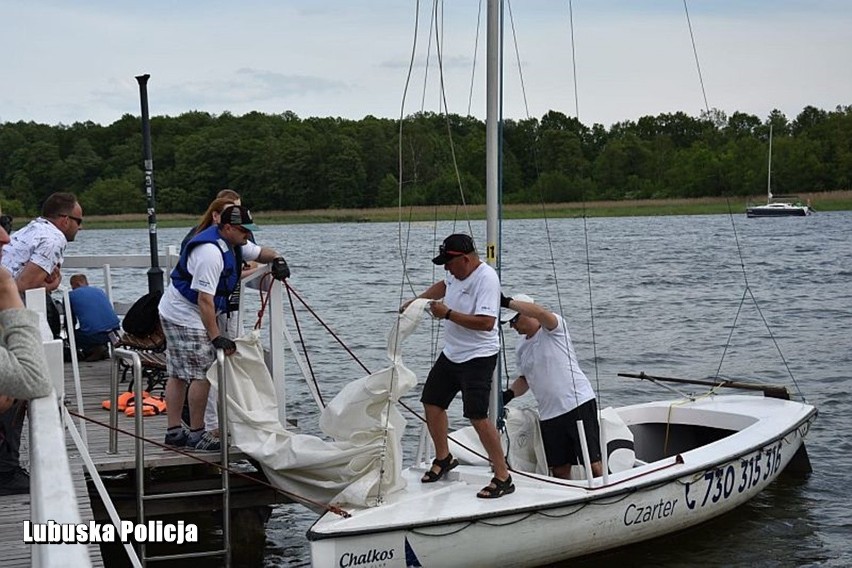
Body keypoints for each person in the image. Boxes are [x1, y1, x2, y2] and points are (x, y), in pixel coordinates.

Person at [159, 204, 291, 452]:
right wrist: (216, 336)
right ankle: (196, 433)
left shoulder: (237, 242)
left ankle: (174, 431)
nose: (248, 235)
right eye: (244, 230)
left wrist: (277, 259)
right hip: (184, 312)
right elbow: (204, 300)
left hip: (180, 309)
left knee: (177, 372)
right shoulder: (209, 252)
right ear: (227, 227)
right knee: (202, 373)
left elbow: (261, 252)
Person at [403, 233, 514, 499]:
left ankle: (503, 475)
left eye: (449, 263)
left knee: (477, 415)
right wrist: (416, 302)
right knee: (431, 401)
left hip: (478, 356)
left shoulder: (486, 279)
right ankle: (443, 458)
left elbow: (487, 323)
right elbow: (443, 284)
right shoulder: (454, 273)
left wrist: (448, 314)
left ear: (465, 259)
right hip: (452, 353)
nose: (446, 268)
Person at [0, 193, 81, 495]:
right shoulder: (53, 238)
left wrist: (46, 284)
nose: (80, 228)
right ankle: (6, 470)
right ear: (64, 220)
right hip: (10, 316)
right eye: (78, 221)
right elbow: (21, 283)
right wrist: (45, 285)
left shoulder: (32, 229)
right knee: (15, 388)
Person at [500, 293, 603, 479]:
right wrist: (508, 395)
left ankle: (606, 492)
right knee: (559, 469)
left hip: (577, 404)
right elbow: (525, 379)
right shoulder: (521, 347)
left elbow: (540, 312)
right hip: (550, 414)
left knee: (593, 464)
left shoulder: (554, 328)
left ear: (525, 313)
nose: (511, 326)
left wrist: (507, 303)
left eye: (514, 320)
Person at [68, 273, 120, 361]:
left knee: (73, 335)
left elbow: (70, 320)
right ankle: (103, 350)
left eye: (72, 286)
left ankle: (96, 349)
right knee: (98, 326)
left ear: (77, 284)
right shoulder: (99, 291)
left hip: (94, 335)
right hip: (114, 331)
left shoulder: (70, 295)